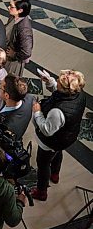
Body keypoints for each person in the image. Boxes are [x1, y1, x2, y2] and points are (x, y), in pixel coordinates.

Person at [31, 69, 86, 201]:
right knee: (57, 153)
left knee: (43, 164)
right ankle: (55, 174)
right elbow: (60, 93)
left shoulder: (57, 112)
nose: (56, 80)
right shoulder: (78, 94)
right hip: (66, 136)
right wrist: (49, 81)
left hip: (50, 141)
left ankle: (41, 191)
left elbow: (46, 130)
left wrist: (37, 112)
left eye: (58, 81)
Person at [4, 0, 33, 76]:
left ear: (20, 10)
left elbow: (26, 52)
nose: (8, 7)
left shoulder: (24, 29)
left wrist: (14, 54)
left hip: (13, 63)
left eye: (11, 6)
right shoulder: (14, 16)